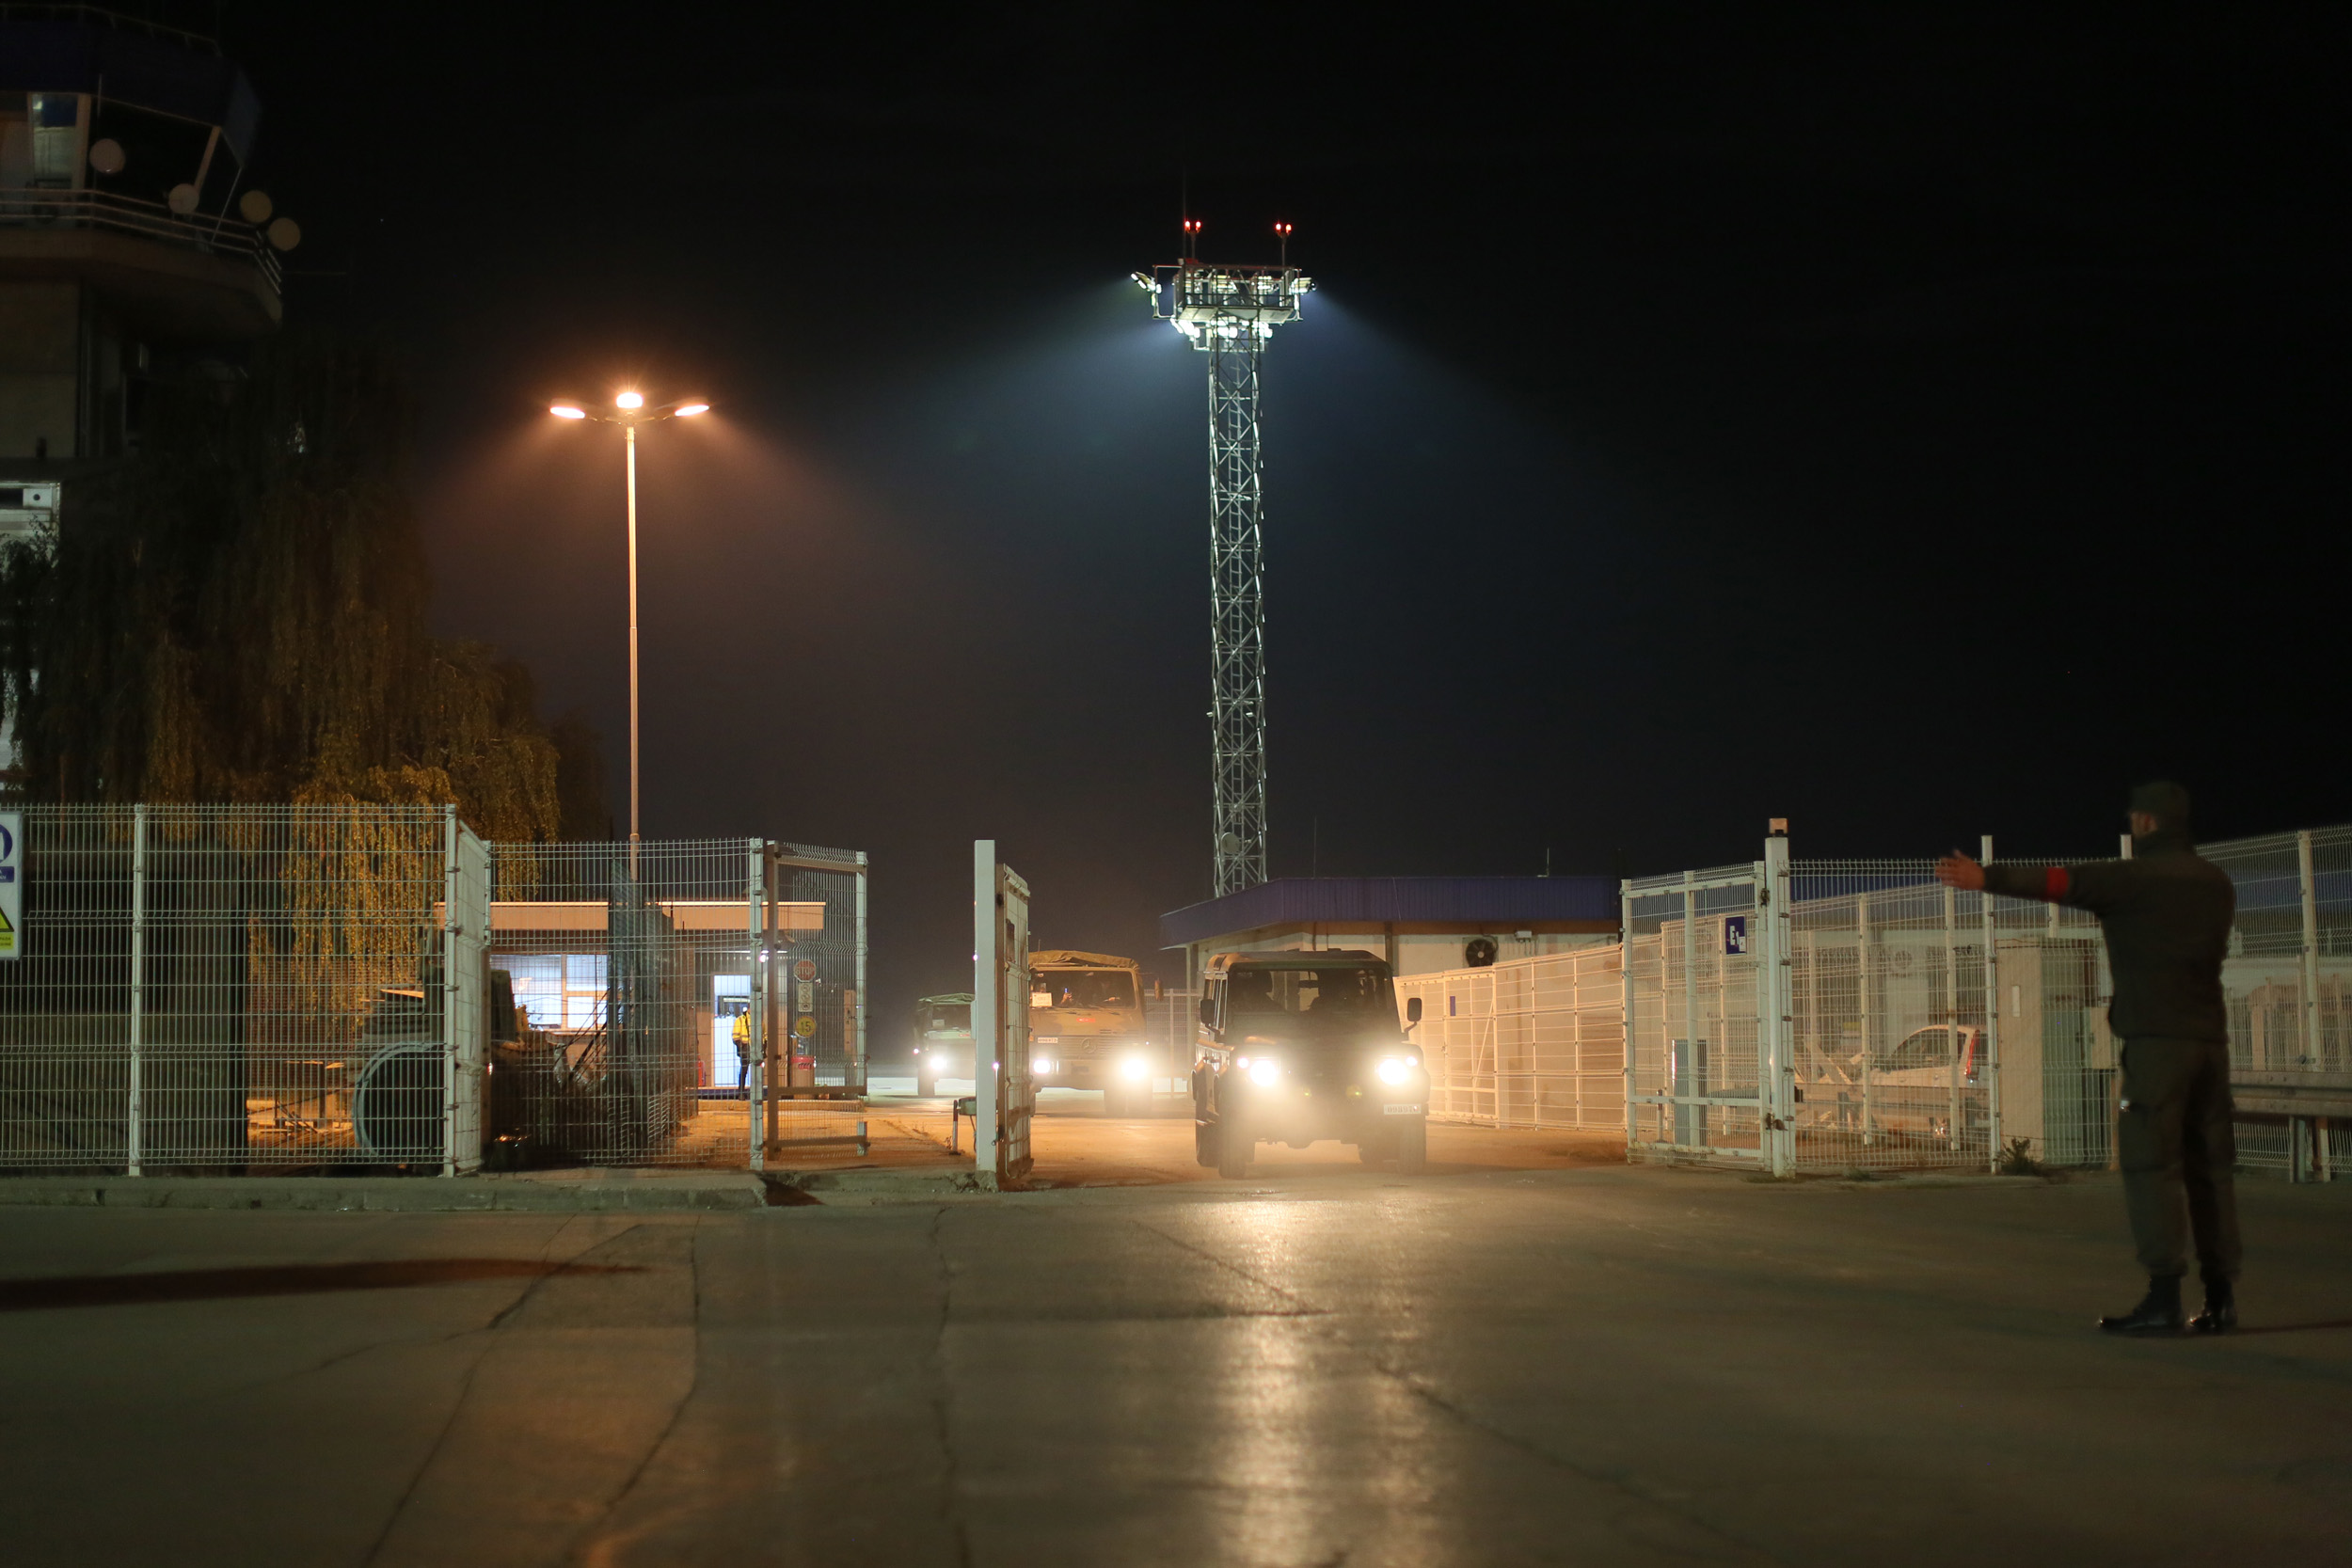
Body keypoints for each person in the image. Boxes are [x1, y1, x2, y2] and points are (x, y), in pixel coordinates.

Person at [1935, 781, 2239, 1336]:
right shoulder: (2216, 883)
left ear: (2146, 823)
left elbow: (2062, 883)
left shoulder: (2133, 880)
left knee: (2152, 1166)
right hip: (2210, 1044)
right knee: (2210, 1171)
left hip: (2155, 1043)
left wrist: (1987, 878)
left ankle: (2163, 1298)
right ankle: (2221, 1297)